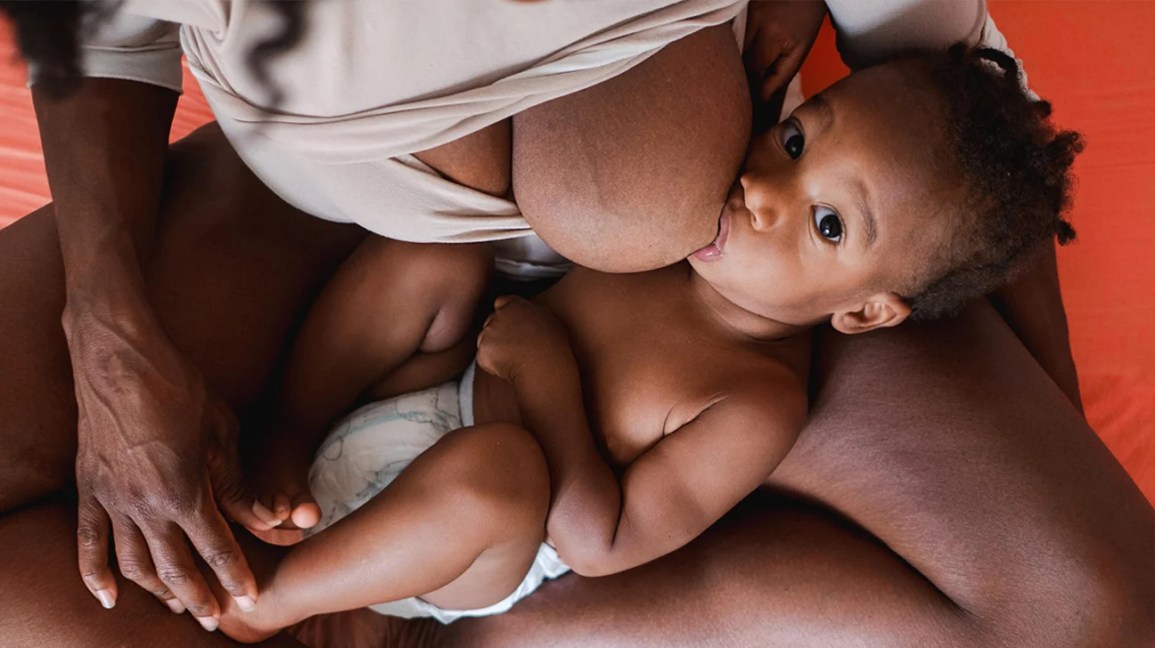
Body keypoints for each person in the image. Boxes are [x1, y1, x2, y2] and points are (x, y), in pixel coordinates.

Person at [0, 1, 1151, 646]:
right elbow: (94, 24)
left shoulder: (762, 384)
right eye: (796, 147)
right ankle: (312, 517)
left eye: (827, 217)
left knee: (1087, 618)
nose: (773, 180)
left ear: (867, 305)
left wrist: (1052, 442)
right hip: (343, 207)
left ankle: (391, 614)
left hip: (577, 401)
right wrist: (109, 329)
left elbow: (950, 95)